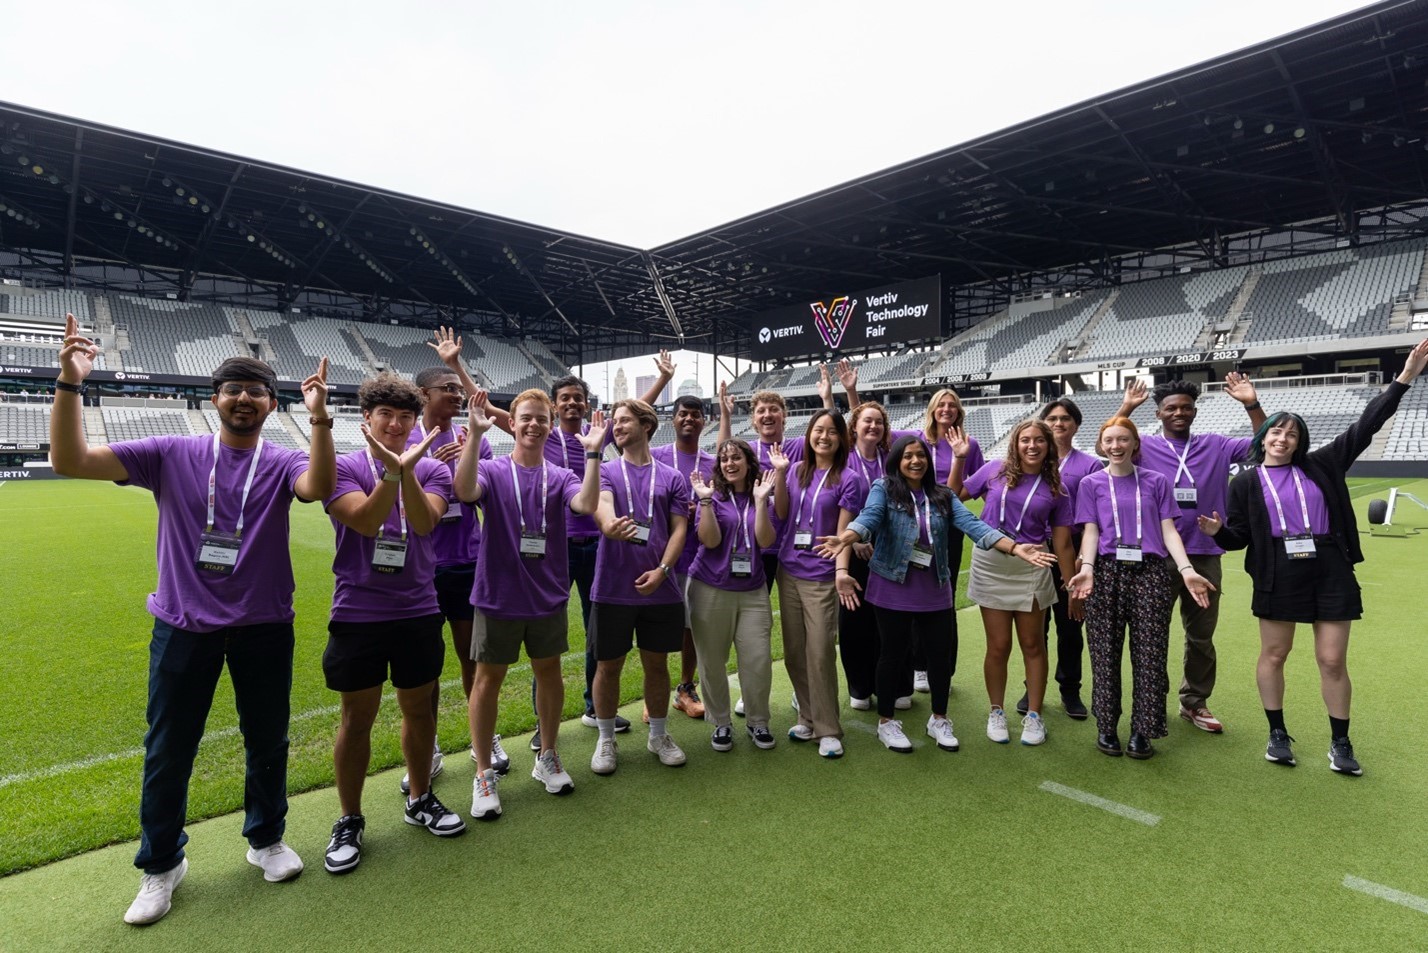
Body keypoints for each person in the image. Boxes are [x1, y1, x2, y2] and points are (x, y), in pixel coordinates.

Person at [49, 314, 334, 924]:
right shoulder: (169, 453)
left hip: (262, 624)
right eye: (233, 388)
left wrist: (319, 418)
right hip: (183, 624)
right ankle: (160, 865)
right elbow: (70, 459)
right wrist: (70, 383)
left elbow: (319, 484)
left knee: (268, 739)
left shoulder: (283, 462)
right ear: (214, 398)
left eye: (256, 391)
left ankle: (266, 840)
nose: (244, 399)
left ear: (268, 403)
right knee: (169, 749)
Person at [1197, 339, 1428, 775]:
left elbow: (1368, 423)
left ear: (1299, 441)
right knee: (1275, 654)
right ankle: (1277, 733)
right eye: (1276, 432)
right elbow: (1238, 539)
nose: (1282, 438)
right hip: (1277, 569)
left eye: (1291, 433)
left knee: (1332, 659)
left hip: (1329, 566)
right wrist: (1218, 532)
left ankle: (1341, 742)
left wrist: (1405, 377)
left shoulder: (1322, 464)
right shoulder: (1245, 483)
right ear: (1263, 439)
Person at [818, 435, 1050, 754]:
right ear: (897, 461)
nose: (916, 461)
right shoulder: (884, 489)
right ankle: (886, 722)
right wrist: (847, 537)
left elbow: (973, 525)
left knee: (939, 658)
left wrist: (1015, 547)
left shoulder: (941, 495)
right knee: (892, 656)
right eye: (908, 456)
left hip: (934, 590)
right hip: (891, 588)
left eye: (921, 456)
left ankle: (939, 719)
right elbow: (869, 518)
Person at [485, 355, 673, 750]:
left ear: (586, 405)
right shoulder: (544, 433)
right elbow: (489, 407)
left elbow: (636, 417)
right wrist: (460, 370)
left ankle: (592, 707)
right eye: (565, 399)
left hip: (597, 546)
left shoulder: (596, 434)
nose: (572, 403)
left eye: (578, 398)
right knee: (546, 642)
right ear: (554, 407)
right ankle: (543, 725)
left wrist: (659, 381)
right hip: (555, 548)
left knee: (595, 635)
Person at [321, 375, 466, 875]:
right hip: (359, 611)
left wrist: (405, 471)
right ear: (367, 418)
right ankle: (349, 818)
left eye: (406, 417)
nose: (397, 425)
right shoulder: (342, 467)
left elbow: (425, 523)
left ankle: (420, 798)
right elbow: (362, 521)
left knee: (419, 711)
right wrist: (390, 474)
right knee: (356, 718)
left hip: (417, 609)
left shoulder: (433, 469)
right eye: (387, 415)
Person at [455, 390, 605, 816]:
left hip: (547, 594)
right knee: (488, 681)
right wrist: (473, 437)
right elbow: (464, 491)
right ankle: (483, 772)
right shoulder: (492, 468)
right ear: (513, 423)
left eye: (542, 418)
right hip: (498, 594)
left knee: (550, 673)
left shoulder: (559, 476)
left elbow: (587, 505)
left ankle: (548, 755)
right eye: (526, 418)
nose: (534, 425)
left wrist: (592, 454)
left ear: (551, 423)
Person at [1115, 372, 1266, 734]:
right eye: (1171, 408)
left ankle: (1194, 702)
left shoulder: (1215, 445)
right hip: (1156, 554)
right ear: (1159, 414)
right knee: (1152, 632)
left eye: (1185, 407)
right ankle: (1152, 699)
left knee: (1201, 635)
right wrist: (1126, 408)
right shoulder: (1144, 447)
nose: (1178, 413)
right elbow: (1111, 443)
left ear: (1195, 412)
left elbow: (1263, 447)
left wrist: (1251, 403)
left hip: (1204, 553)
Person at [1067, 418, 1216, 760]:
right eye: (1109, 440)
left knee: (1150, 655)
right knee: (1104, 654)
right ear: (1101, 445)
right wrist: (1087, 568)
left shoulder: (1157, 481)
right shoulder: (1091, 483)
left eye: (1123, 439)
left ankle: (1142, 730)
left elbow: (1169, 531)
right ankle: (1106, 725)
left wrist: (1187, 569)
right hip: (1105, 574)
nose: (1116, 446)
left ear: (1135, 444)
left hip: (1150, 573)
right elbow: (1091, 532)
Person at [400, 327, 504, 795]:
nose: (457, 398)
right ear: (424, 395)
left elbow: (486, 497)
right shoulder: (400, 439)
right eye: (449, 391)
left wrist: (463, 464)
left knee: (472, 656)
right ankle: (431, 747)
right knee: (425, 667)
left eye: (460, 392)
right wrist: (429, 471)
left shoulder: (472, 436)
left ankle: (487, 741)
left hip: (466, 562)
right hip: (419, 568)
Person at [950, 420, 1077, 746]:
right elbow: (953, 497)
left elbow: (1063, 544)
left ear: (1049, 446)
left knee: (1033, 644)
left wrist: (1071, 587)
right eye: (1025, 440)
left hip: (1033, 566)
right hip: (991, 563)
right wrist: (959, 458)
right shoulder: (994, 470)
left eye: (1039, 441)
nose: (1032, 446)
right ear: (1015, 444)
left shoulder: (1057, 489)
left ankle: (1034, 716)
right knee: (999, 645)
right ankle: (996, 711)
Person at [589, 398, 690, 774]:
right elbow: (601, 504)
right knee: (608, 665)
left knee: (657, 665)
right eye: (615, 421)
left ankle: (659, 735)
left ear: (647, 425)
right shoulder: (607, 471)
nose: (617, 426)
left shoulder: (672, 477)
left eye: (625, 420)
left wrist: (664, 570)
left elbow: (680, 528)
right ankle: (605, 739)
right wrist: (608, 522)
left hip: (659, 587)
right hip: (613, 585)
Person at [773, 409, 866, 759]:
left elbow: (843, 534)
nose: (823, 436)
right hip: (789, 571)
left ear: (842, 438)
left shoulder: (849, 478)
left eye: (831, 431)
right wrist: (781, 476)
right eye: (817, 430)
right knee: (794, 652)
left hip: (821, 575)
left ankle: (828, 729)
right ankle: (807, 717)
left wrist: (841, 572)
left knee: (820, 652)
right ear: (809, 434)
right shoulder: (797, 470)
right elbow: (782, 515)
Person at [1013, 398, 1104, 720]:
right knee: (1036, 629)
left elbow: (1096, 514)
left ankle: (1070, 690)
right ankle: (1032, 687)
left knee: (1070, 624)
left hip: (1073, 552)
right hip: (1036, 553)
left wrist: (1083, 557)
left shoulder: (1090, 465)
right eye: (1052, 418)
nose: (1059, 423)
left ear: (1076, 425)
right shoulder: (1029, 462)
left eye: (1066, 418)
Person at [686, 439, 780, 751]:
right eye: (725, 459)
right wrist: (706, 502)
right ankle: (721, 722)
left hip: (752, 590)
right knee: (712, 661)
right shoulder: (711, 495)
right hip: (710, 587)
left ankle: (758, 722)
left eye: (736, 457)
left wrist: (762, 502)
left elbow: (765, 540)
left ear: (747, 461)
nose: (730, 463)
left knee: (757, 659)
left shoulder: (761, 494)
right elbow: (709, 541)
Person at [650, 394, 714, 722]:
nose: (689, 419)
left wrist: (703, 508)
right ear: (672, 420)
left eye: (695, 415)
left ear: (704, 421)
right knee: (658, 624)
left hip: (699, 558)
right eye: (683, 414)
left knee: (691, 627)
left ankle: (685, 688)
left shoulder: (713, 462)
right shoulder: (656, 456)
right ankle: (654, 691)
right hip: (662, 555)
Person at [840, 400, 894, 710]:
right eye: (867, 421)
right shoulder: (844, 459)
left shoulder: (891, 459)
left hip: (888, 552)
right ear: (855, 427)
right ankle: (859, 687)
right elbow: (838, 506)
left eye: (879, 422)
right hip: (855, 551)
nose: (873, 426)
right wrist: (855, 540)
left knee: (885, 621)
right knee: (854, 622)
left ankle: (882, 681)